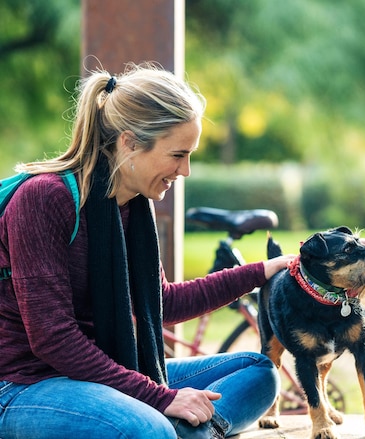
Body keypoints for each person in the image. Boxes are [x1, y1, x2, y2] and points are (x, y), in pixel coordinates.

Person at [0, 63, 293, 439]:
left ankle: (189, 432)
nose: (185, 171)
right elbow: (52, 337)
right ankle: (183, 431)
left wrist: (261, 271)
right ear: (130, 143)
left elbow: (162, 302)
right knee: (149, 428)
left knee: (258, 371)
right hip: (24, 384)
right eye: (177, 155)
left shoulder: (133, 206)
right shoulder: (44, 199)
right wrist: (159, 397)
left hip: (105, 367)